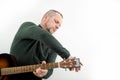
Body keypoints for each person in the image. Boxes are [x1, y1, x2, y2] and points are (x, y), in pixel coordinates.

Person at [10, 9, 82, 80]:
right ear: (45, 17)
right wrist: (67, 55)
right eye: (56, 22)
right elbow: (43, 35)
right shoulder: (27, 26)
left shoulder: (54, 47)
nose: (57, 27)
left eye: (59, 26)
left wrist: (45, 73)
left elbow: (49, 71)